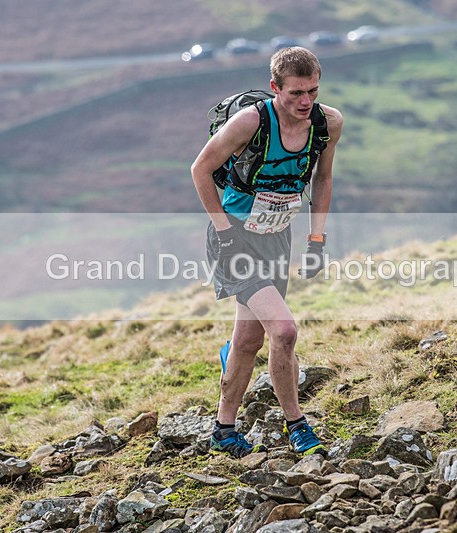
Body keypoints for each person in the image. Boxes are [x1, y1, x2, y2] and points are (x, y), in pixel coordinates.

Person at [191, 47, 343, 458]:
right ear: (275, 88)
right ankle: (297, 425)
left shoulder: (327, 124)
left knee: (247, 340)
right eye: (295, 93)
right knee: (285, 331)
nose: (305, 101)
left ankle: (223, 431)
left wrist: (317, 239)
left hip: (277, 238)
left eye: (312, 90)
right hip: (234, 239)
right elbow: (200, 170)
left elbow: (324, 177)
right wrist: (224, 232)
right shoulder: (251, 122)